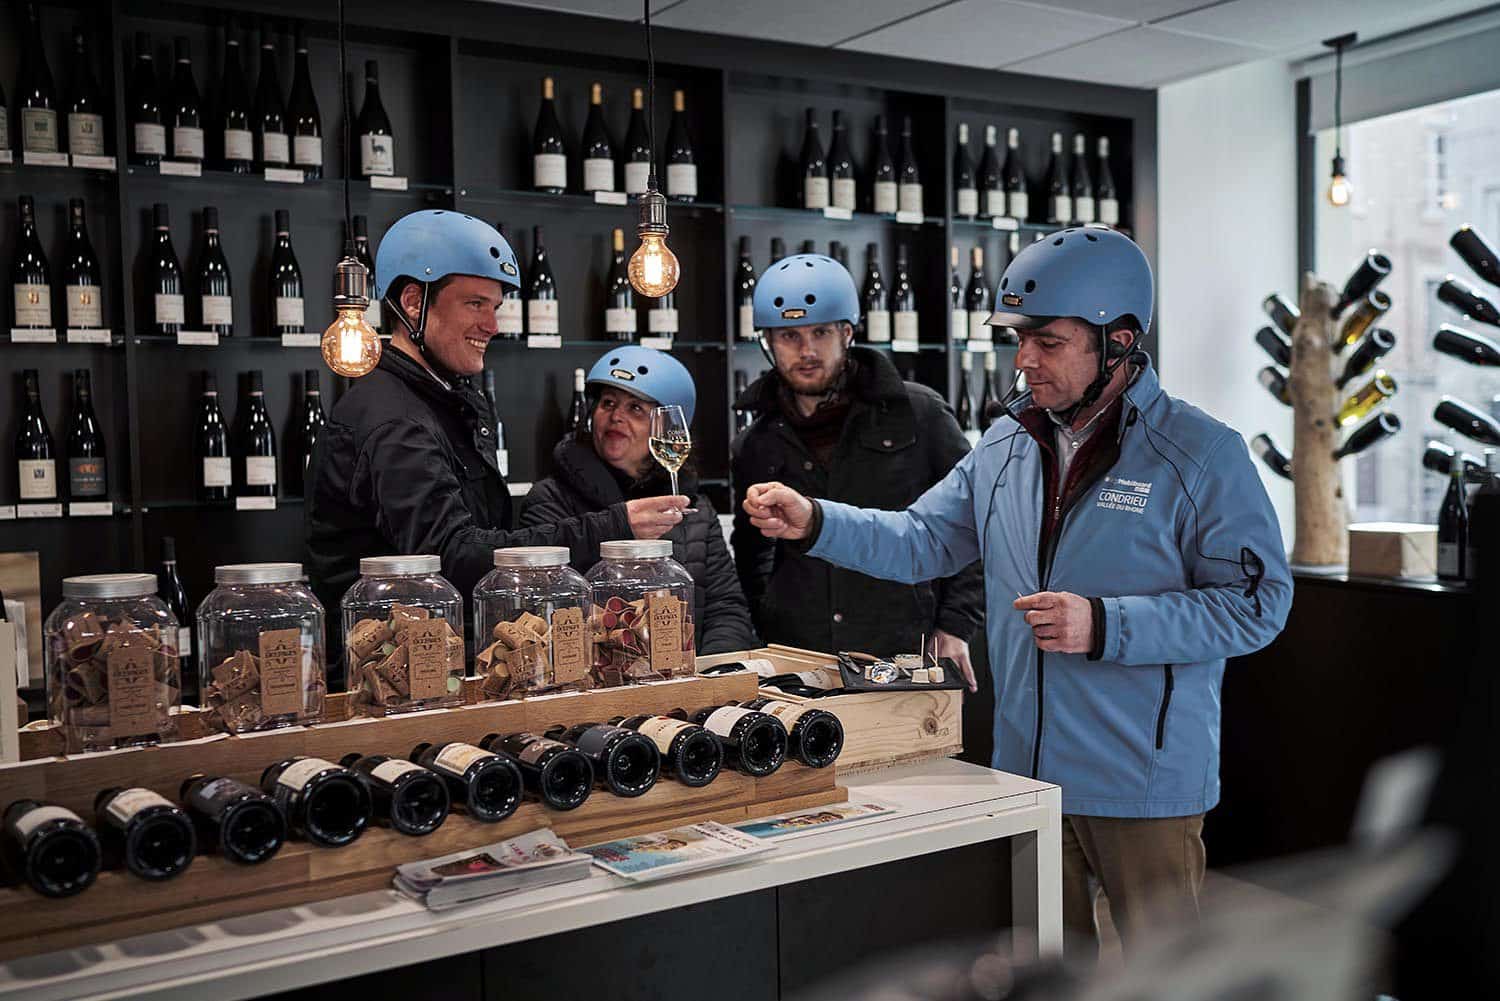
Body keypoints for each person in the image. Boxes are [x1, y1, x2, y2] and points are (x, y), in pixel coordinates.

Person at [741, 228, 1292, 957]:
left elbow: (1258, 603)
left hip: (1144, 787)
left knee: (1165, 980)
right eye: (1017, 339)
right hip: (1027, 776)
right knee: (1042, 977)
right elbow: (920, 541)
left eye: (1048, 342)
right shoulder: (1005, 445)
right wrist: (815, 521)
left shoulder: (1202, 455)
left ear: (1119, 341)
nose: (1024, 359)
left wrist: (1105, 624)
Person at [305, 211, 688, 671]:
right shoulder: (396, 421)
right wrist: (611, 527)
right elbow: (453, 559)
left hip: (429, 664)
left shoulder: (437, 403)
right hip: (394, 678)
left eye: (496, 306)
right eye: (475, 304)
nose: (493, 325)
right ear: (413, 302)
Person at [730, 254, 984, 689]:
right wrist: (763, 627)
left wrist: (956, 625)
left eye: (821, 332)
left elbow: (972, 524)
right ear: (768, 342)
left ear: (847, 333)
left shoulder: (919, 413)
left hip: (905, 649)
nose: (806, 351)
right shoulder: (755, 443)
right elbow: (751, 556)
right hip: (800, 656)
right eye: (789, 335)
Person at [521, 346, 758, 655]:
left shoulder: (696, 508)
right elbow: (542, 610)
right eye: (608, 403)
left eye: (636, 409)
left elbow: (725, 609)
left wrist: (709, 673)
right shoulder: (549, 499)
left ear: (669, 429)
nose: (616, 416)